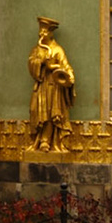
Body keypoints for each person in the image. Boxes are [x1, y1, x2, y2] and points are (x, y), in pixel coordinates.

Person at [27, 16, 76, 152]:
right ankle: (38, 139)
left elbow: (66, 66)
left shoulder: (58, 50)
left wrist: (69, 76)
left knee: (51, 114)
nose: (41, 35)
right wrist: (41, 63)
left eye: (45, 32)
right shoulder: (37, 50)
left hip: (54, 87)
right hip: (41, 86)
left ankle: (46, 141)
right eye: (40, 32)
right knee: (36, 111)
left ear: (50, 33)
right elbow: (31, 63)